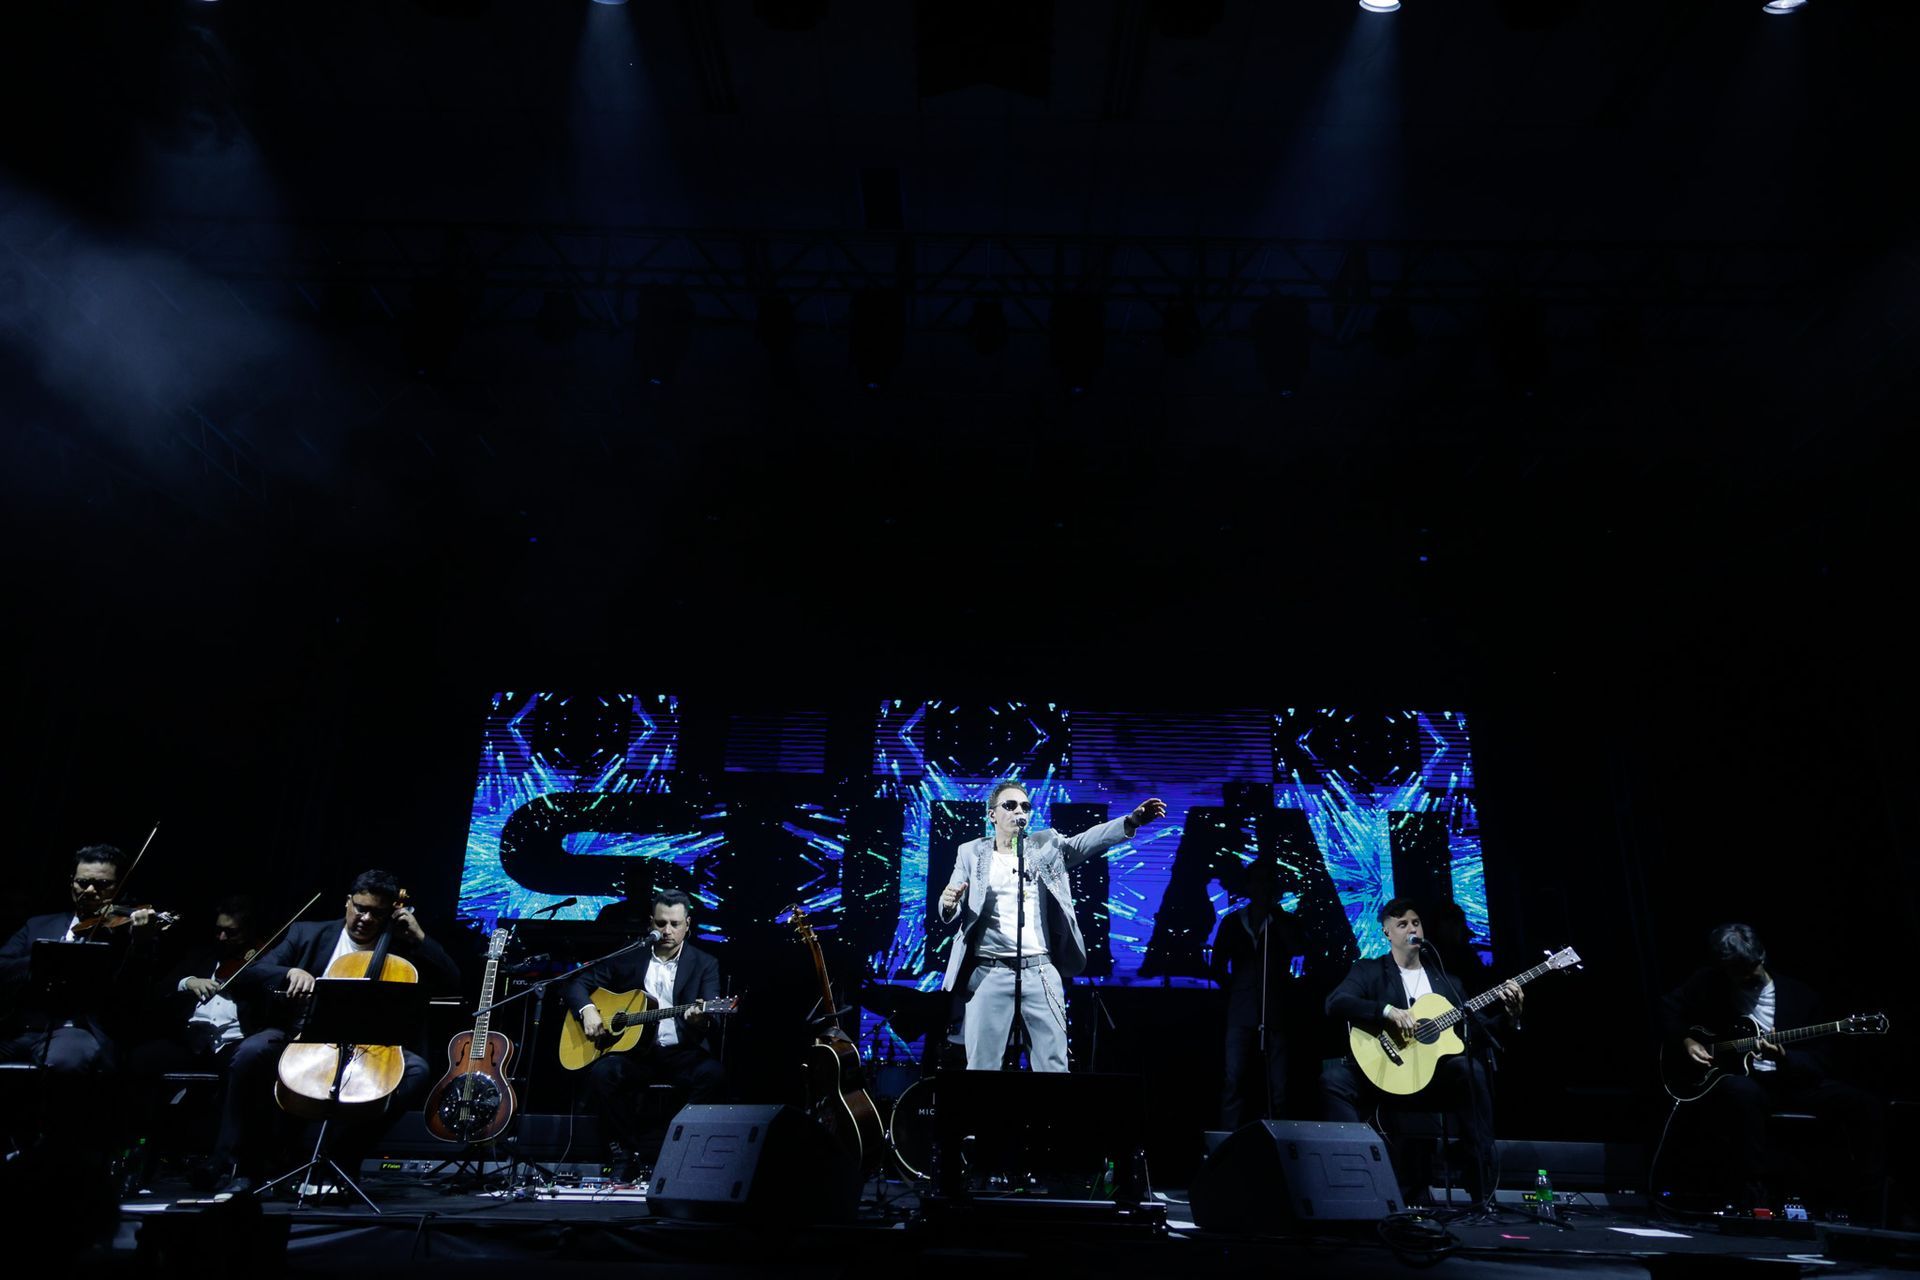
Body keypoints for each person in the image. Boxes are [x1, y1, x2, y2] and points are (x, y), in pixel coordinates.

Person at [212, 869, 459, 1195]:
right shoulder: (306, 933)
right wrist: (289, 972)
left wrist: (420, 938)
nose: (366, 918)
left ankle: (342, 1159)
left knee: (416, 1070)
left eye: (376, 913)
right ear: (347, 902)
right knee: (250, 1052)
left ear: (390, 913)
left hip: (368, 1047)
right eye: (360, 908)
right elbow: (250, 973)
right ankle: (238, 1167)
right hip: (299, 1036)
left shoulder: (401, 949)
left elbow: (452, 980)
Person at [1660, 923, 1885, 1220]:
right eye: (1737, 971)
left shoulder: (1800, 996)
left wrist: (1785, 1057)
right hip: (1744, 1083)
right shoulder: (1708, 984)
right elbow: (1667, 1010)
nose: (1747, 976)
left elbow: (1823, 1061)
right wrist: (1687, 1040)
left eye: (1750, 967)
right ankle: (1755, 1196)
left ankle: (1871, 1203)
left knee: (1863, 1103)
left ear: (1762, 956)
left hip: (1791, 1083)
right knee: (1741, 1092)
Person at [938, 782, 1167, 1072]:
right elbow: (953, 897)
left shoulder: (1045, 845)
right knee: (983, 1067)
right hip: (989, 972)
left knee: (1054, 1066)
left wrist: (1131, 822)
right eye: (1010, 805)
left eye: (1025, 806)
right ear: (992, 815)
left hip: (1040, 972)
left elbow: (1084, 842)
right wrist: (949, 903)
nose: (1019, 811)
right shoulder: (970, 852)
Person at [1319, 898, 1521, 1207]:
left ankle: (1482, 1190)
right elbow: (1335, 1003)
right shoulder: (1370, 970)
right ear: (1387, 932)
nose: (1411, 929)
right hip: (1383, 1074)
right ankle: (1359, 1175)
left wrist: (1511, 1017)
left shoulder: (1447, 982)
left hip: (1430, 1082)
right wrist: (1386, 1010)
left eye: (1416, 922)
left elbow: (1480, 1032)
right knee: (1333, 1080)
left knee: (1470, 1071)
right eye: (1402, 924)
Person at [0, 844, 162, 1152]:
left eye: (102, 885)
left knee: (67, 1061)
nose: (89, 891)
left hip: (76, 1029)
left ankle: (54, 1151)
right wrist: (47, 958)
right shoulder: (39, 925)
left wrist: (140, 946)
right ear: (71, 882)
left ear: (119, 888)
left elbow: (132, 996)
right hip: (19, 1028)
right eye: (83, 882)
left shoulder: (126, 933)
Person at [560, 888, 725, 1181]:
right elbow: (576, 984)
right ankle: (626, 1153)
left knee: (713, 1075)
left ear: (687, 924)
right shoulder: (630, 955)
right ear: (651, 923)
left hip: (681, 1053)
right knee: (603, 1074)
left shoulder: (704, 963)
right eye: (661, 923)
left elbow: (713, 1016)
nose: (667, 931)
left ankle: (674, 1148)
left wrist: (701, 1019)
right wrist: (588, 1010)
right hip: (635, 1054)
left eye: (675, 924)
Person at [123, 897, 266, 1185]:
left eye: (232, 932)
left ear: (249, 932)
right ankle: (135, 1153)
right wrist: (188, 981)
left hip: (233, 1045)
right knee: (140, 1059)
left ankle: (222, 1164)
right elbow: (160, 989)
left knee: (244, 1066)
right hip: (191, 1044)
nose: (222, 937)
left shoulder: (264, 959)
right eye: (219, 930)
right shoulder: (202, 956)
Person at [1211, 859, 1306, 1130]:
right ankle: (1229, 1138)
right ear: (1248, 886)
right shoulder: (1232, 922)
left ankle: (1281, 1136)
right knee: (1234, 1078)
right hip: (1240, 1008)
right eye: (1257, 881)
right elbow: (1217, 965)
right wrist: (1235, 989)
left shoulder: (1285, 922)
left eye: (1267, 882)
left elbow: (1298, 950)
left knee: (1279, 1084)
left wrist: (1276, 915)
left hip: (1276, 1008)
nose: (1262, 887)